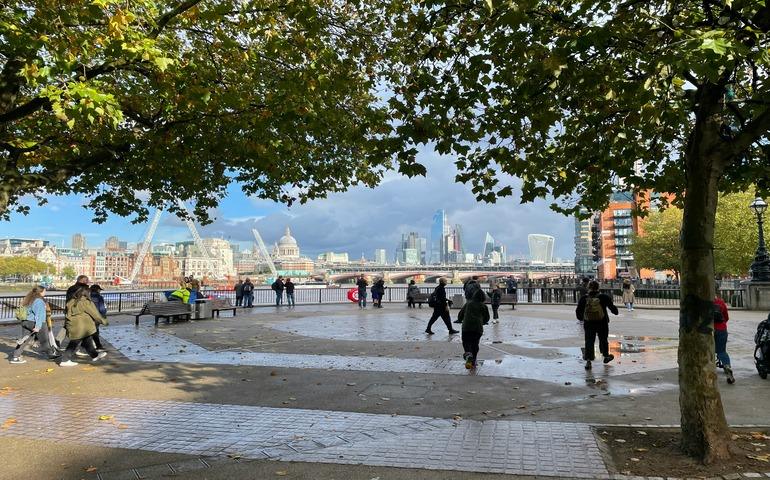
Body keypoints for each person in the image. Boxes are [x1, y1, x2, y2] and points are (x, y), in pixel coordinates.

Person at [575, 280, 618, 370]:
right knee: (603, 339)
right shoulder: (604, 297)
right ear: (598, 287)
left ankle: (588, 361)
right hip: (602, 322)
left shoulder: (584, 298)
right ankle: (605, 356)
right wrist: (615, 311)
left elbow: (578, 311)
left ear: (588, 287)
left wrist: (582, 318)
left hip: (589, 322)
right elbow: (613, 308)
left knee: (589, 341)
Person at [60, 285, 108, 367]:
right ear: (86, 293)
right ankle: (65, 359)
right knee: (74, 343)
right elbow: (95, 314)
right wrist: (104, 321)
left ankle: (95, 355)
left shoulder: (71, 301)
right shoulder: (86, 302)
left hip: (73, 325)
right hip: (83, 326)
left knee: (87, 341)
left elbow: (66, 313)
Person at [11, 286, 57, 364]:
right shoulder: (39, 301)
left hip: (26, 322)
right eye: (44, 291)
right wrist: (38, 326)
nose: (45, 293)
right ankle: (52, 355)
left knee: (24, 340)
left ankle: (15, 357)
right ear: (40, 292)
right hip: (35, 323)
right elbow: (39, 315)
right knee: (45, 341)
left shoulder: (29, 299)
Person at [458, 289, 489, 369]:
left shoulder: (468, 304)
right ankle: (473, 361)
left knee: (466, 342)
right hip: (478, 328)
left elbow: (461, 314)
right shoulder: (483, 306)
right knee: (475, 344)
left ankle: (468, 355)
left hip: (466, 327)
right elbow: (487, 318)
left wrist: (460, 319)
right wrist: (483, 322)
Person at [714, 292, 735, 384]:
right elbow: (726, 317)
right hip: (721, 329)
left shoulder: (702, 303)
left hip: (707, 330)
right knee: (722, 351)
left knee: (707, 351)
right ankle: (727, 367)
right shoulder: (720, 302)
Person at [87, 284, 107, 352]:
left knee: (92, 331)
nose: (100, 291)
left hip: (88, 316)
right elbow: (102, 308)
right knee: (95, 331)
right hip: (96, 316)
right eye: (99, 290)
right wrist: (103, 316)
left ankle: (97, 345)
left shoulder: (87, 297)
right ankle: (98, 346)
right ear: (97, 290)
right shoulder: (99, 297)